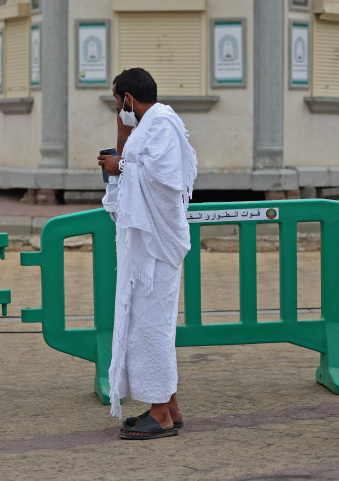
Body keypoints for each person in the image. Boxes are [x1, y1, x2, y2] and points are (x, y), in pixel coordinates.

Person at [97, 68, 197, 440]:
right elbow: (135, 168)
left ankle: (161, 416)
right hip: (144, 250)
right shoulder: (145, 127)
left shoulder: (163, 124)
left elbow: (165, 178)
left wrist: (119, 166)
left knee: (152, 327)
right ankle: (169, 407)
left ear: (128, 98)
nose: (116, 108)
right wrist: (122, 140)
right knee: (147, 324)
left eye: (116, 101)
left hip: (157, 249)